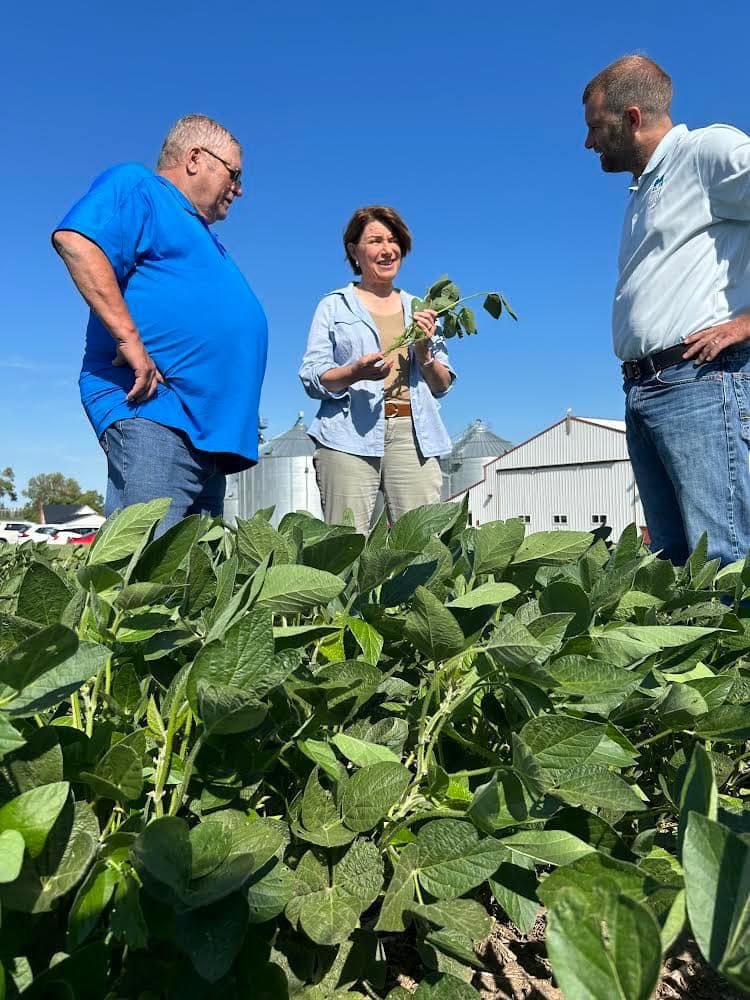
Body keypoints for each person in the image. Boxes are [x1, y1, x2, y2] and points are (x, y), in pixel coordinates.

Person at [52, 114, 268, 535]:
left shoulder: (202, 234)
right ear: (194, 158)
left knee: (193, 586)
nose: (239, 189)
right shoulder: (142, 187)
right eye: (235, 174)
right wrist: (129, 339)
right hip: (157, 415)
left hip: (206, 438)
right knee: (144, 572)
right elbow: (77, 241)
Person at [582, 55, 750, 566]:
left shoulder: (707, 153)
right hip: (646, 388)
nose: (589, 142)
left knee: (721, 555)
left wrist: (746, 322)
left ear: (632, 118)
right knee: (675, 559)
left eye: (595, 127)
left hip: (700, 379)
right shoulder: (646, 189)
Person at [299, 206, 455, 533]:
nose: (387, 249)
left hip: (413, 434)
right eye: (375, 240)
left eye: (393, 240)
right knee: (346, 544)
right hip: (347, 434)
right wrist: (354, 372)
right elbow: (313, 376)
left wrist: (425, 352)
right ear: (354, 251)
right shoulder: (334, 305)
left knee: (419, 545)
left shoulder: (421, 309)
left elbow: (442, 385)